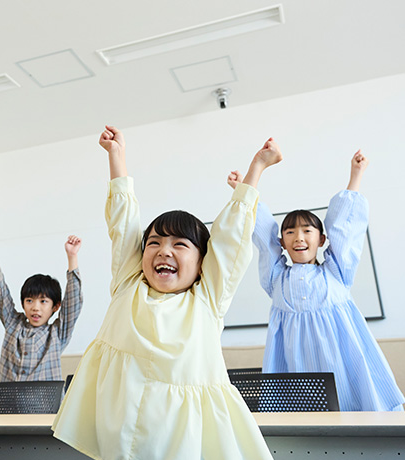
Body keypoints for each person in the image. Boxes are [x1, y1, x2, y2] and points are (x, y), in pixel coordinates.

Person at [52, 126, 281, 460]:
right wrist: (117, 157)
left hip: (180, 441)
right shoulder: (127, 283)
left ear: (204, 262)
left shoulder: (207, 300)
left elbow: (231, 239)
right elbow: (123, 224)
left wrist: (256, 168)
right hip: (119, 437)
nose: (163, 251)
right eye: (155, 243)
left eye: (180, 245)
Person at [230, 150, 405, 412]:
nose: (298, 237)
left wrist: (355, 175)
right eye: (289, 232)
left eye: (307, 231)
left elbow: (346, 229)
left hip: (344, 365)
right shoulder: (276, 278)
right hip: (297, 370)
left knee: (357, 411)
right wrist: (244, 187)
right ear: (283, 243)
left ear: (321, 240)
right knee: (305, 424)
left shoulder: (336, 272)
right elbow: (262, 235)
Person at [0, 228, 83, 382]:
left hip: (43, 405)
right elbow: (0, 292)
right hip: (7, 404)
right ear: (23, 303)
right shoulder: (13, 324)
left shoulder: (57, 334)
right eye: (29, 301)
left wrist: (72, 257)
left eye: (43, 301)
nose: (35, 307)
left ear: (55, 306)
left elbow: (73, 303)